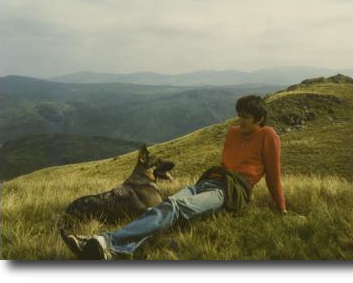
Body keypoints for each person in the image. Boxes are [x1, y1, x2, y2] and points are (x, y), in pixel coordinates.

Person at [61, 95, 295, 260]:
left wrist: (281, 208)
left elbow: (273, 175)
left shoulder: (269, 135)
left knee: (175, 205)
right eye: (238, 115)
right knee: (167, 208)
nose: (239, 121)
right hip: (210, 181)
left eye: (245, 117)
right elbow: (227, 164)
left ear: (259, 120)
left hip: (232, 192)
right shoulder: (233, 133)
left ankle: (103, 241)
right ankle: (111, 252)